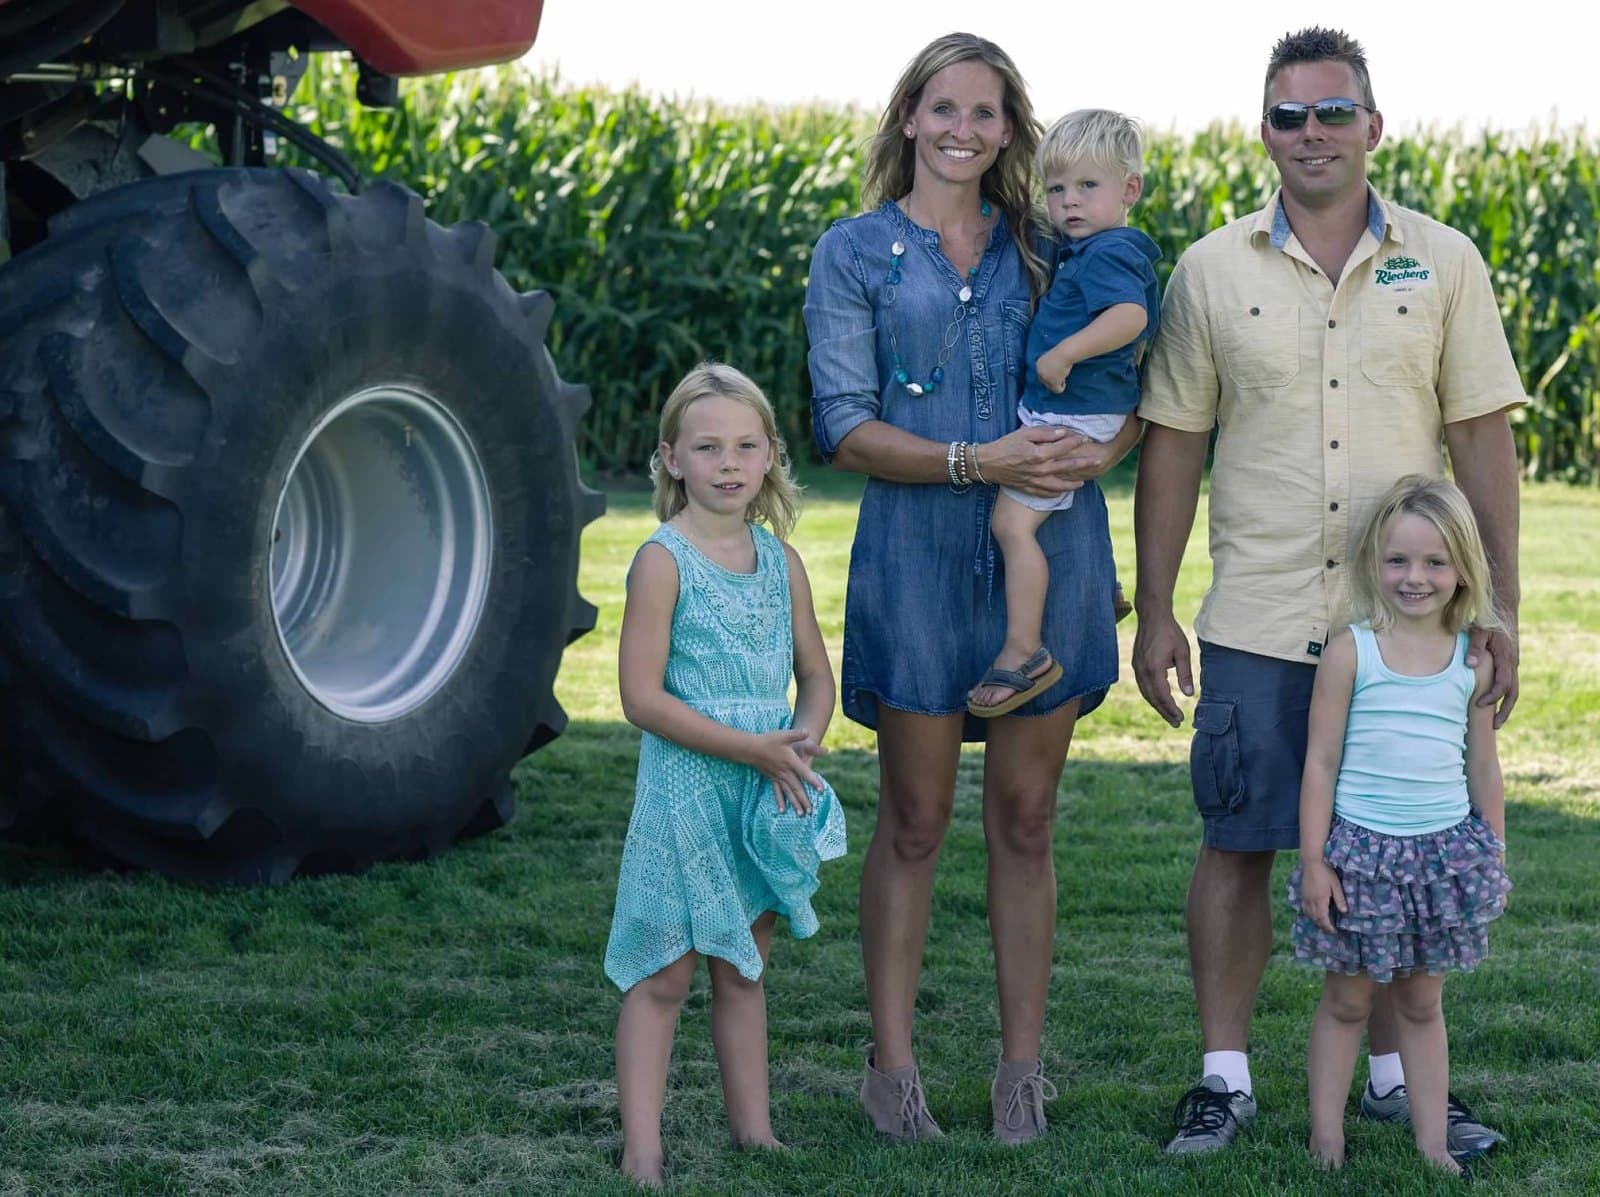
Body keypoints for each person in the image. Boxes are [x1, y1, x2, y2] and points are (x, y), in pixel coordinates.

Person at [1132, 27, 1522, 1156]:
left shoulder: (1442, 261)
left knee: (1400, 841)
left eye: (1332, 112)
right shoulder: (1209, 269)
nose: (1312, 134)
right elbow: (1170, 447)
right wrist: (1155, 608)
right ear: (1265, 131)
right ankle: (1222, 1077)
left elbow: (1479, 437)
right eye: (1289, 116)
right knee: (1239, 839)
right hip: (1257, 615)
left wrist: (1492, 609)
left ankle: (1396, 1082)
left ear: (1372, 125)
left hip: (1405, 630)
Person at [804, 33, 1141, 1144]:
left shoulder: (1052, 243)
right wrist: (975, 462)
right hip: (914, 555)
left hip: (1044, 551)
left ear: (1009, 129)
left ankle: (1017, 1075)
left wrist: (1105, 447)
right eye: (941, 107)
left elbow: (1143, 364)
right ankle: (890, 1071)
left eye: (985, 112)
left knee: (1027, 820)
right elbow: (844, 425)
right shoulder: (853, 252)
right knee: (912, 819)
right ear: (908, 116)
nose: (962, 129)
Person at [604, 362, 847, 1188]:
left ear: (772, 454)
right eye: (708, 446)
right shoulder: (661, 561)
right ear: (672, 458)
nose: (730, 462)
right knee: (666, 970)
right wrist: (751, 748)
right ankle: (643, 1147)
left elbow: (816, 676)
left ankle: (757, 1132)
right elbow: (639, 696)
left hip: (762, 787)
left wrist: (800, 741)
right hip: (688, 787)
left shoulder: (782, 563)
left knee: (745, 964)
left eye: (747, 445)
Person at [1292, 475, 1509, 1175]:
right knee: (1348, 997)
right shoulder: (1354, 651)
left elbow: (1483, 767)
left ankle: (1432, 1142)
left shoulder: (1469, 664)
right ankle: (1327, 1137)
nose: (1414, 577)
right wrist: (1316, 860)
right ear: (1374, 563)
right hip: (1361, 856)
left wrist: (1491, 853)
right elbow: (1320, 763)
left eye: (1434, 562)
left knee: (1420, 1000)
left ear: (1462, 570)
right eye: (1398, 561)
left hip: (1440, 856)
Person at [969, 107, 1161, 718]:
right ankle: (1099, 591)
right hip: (1076, 411)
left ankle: (1025, 651)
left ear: (1129, 190)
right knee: (1054, 502)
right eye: (1056, 189)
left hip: (1076, 413)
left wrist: (1064, 354)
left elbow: (1129, 318)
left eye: (1087, 186)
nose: (1068, 202)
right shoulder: (1089, 250)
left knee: (1012, 524)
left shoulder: (1109, 253)